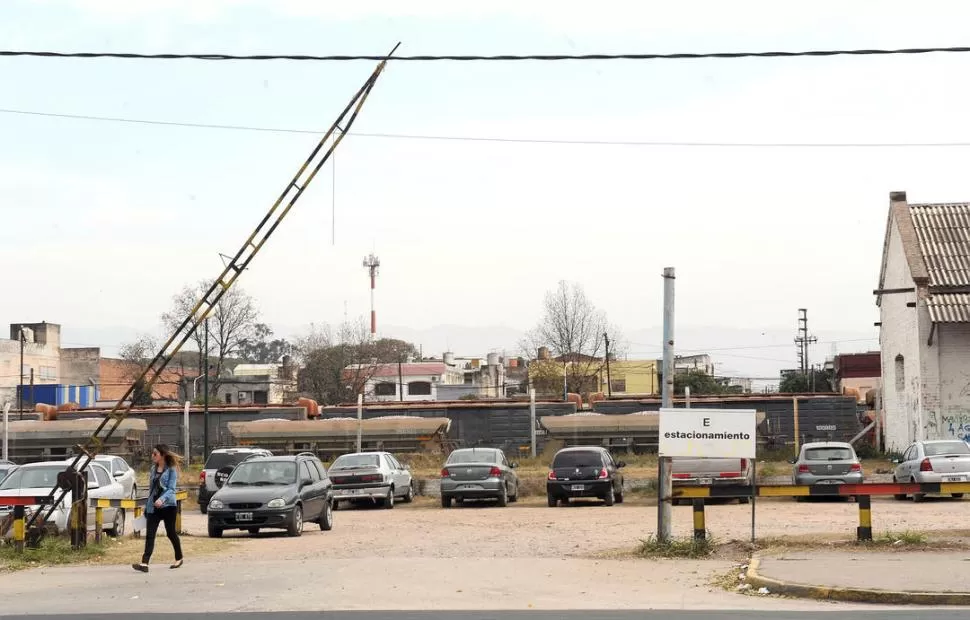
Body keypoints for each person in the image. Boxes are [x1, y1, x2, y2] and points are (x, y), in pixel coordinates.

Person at [132, 444, 184, 572]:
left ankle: (179, 558)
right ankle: (145, 563)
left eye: (155, 454)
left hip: (168, 506)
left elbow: (172, 489)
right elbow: (152, 489)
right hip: (153, 507)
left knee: (170, 533)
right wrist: (148, 506)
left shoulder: (171, 470)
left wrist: (162, 499)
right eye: (152, 453)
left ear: (163, 455)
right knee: (150, 534)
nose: (152, 456)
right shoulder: (152, 469)